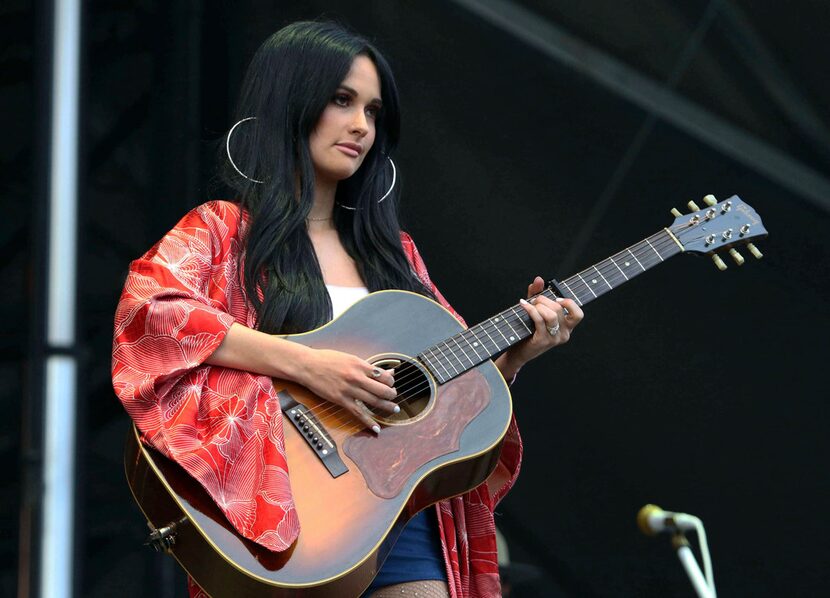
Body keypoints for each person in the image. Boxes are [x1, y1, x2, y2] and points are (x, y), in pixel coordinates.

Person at [112, 21, 583, 598]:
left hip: (395, 509)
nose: (362, 125)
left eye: (374, 111)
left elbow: (446, 408)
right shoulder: (223, 230)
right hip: (280, 505)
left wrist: (512, 361)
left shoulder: (396, 254)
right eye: (342, 101)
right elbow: (154, 314)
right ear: (291, 102)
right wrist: (311, 367)